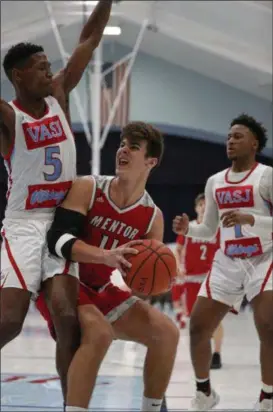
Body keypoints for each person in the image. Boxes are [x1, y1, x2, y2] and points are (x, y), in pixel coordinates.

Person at [0, 0, 115, 404]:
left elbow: (88, 39)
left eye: (50, 63)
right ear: (18, 75)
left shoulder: (59, 95)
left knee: (69, 321)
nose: (50, 70)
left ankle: (72, 405)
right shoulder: (9, 116)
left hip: (61, 223)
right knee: (9, 322)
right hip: (23, 225)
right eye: (40, 65)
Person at [36, 121, 180, 412]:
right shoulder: (88, 187)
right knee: (99, 333)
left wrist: (156, 282)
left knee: (167, 332)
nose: (123, 150)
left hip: (101, 287)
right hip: (63, 279)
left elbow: (143, 279)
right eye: (122, 144)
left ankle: (152, 408)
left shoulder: (152, 217)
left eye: (133, 147)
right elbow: (57, 240)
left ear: (150, 162)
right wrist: (105, 256)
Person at [173, 114, 272, 411]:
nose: (230, 141)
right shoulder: (215, 181)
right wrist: (187, 229)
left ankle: (267, 397)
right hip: (228, 260)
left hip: (263, 257)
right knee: (198, 327)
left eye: (238, 136)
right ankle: (204, 393)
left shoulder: (266, 176)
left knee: (268, 325)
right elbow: (209, 230)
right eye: (229, 136)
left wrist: (250, 218)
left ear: (254, 143)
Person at [173, 193, 223, 368]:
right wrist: (179, 266)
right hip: (191, 279)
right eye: (200, 204)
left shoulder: (217, 229)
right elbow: (178, 250)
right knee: (194, 320)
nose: (203, 207)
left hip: (212, 278)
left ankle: (216, 354)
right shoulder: (189, 228)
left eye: (206, 204)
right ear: (196, 208)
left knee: (215, 319)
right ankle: (200, 353)